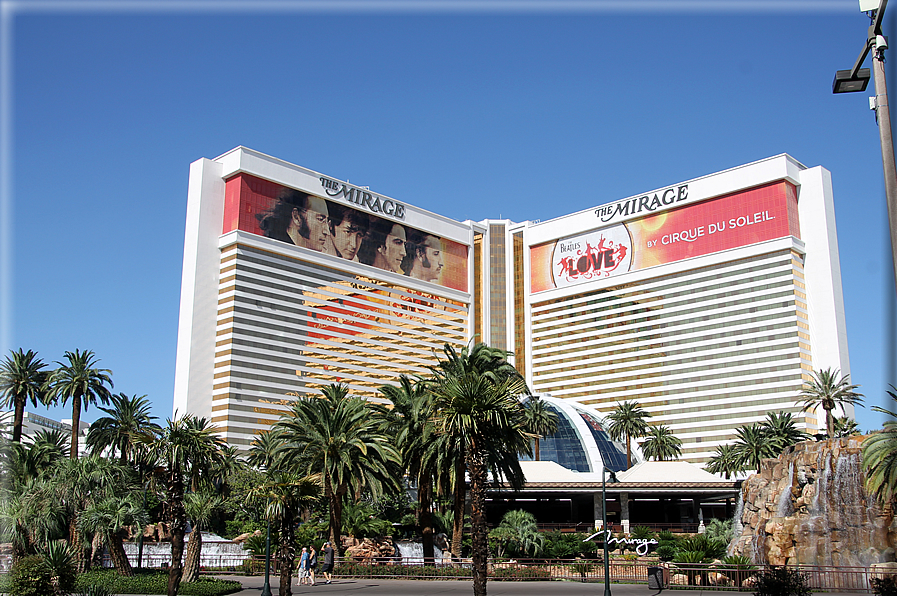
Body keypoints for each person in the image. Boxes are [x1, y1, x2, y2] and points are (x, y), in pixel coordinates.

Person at [256, 188, 331, 252]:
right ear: (296, 217)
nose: (327, 231)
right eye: (320, 219)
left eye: (327, 222)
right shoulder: (274, 248)